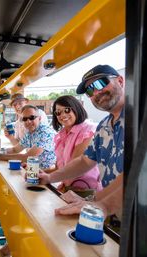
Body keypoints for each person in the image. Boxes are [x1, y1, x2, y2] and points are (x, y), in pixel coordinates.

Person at [39, 64, 125, 214]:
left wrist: (103, 204)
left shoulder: (140, 116)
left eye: (100, 83)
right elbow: (85, 161)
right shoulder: (104, 126)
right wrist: (49, 177)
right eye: (89, 90)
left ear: (120, 80)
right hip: (116, 215)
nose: (96, 92)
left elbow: (139, 172)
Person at [47, 95, 102, 196]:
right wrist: (38, 172)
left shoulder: (88, 130)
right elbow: (59, 168)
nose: (62, 115)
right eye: (58, 112)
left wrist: (48, 178)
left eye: (67, 110)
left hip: (86, 192)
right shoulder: (62, 135)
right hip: (69, 189)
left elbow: (76, 165)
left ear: (76, 108)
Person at [0, 105, 56, 169]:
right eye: (25, 119)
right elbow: (15, 149)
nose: (28, 121)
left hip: (50, 176)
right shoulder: (30, 132)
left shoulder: (45, 132)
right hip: (35, 172)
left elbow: (27, 157)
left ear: (40, 118)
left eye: (32, 118)